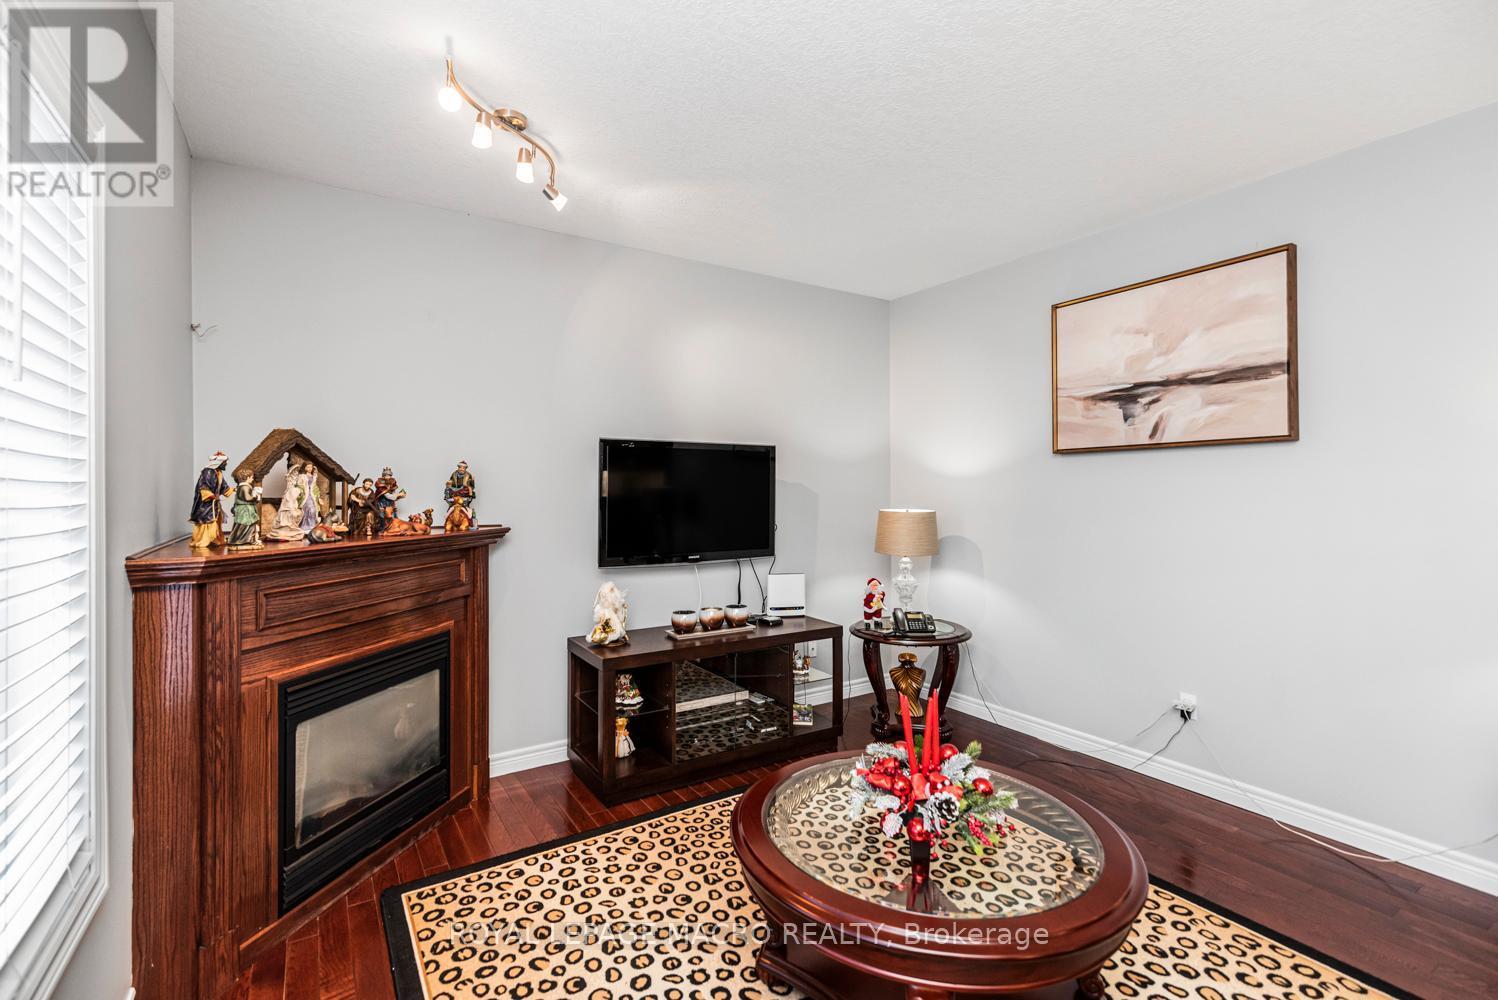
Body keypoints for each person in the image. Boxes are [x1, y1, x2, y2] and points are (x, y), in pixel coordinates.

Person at [189, 451, 232, 548]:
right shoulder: (208, 472)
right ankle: (203, 540)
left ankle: (215, 539)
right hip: (206, 503)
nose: (226, 464)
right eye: (225, 462)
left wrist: (233, 490)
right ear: (220, 462)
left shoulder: (219, 473)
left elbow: (224, 487)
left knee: (216, 519)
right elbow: (203, 486)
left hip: (214, 502)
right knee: (207, 519)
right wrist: (209, 495)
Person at [226, 468, 264, 550]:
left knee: (247, 525)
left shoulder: (244, 486)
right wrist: (255, 496)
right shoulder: (244, 487)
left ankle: (245, 539)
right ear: (247, 477)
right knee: (244, 524)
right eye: (252, 477)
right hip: (245, 510)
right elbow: (247, 498)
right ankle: (239, 540)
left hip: (246, 509)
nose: (252, 479)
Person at [443, 460, 477, 531]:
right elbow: (451, 481)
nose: (461, 469)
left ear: (465, 468)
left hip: (463, 489)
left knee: (466, 490)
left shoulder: (468, 475)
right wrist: (449, 484)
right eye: (460, 467)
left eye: (463, 468)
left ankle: (469, 519)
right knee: (448, 490)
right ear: (458, 467)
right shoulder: (454, 474)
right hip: (455, 489)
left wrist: (472, 482)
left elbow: (471, 486)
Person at [372, 466, 406, 534]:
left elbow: (393, 494)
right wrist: (398, 495)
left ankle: (394, 528)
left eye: (389, 475)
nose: (388, 477)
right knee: (383, 516)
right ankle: (383, 529)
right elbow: (389, 496)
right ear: (383, 476)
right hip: (383, 503)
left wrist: (400, 496)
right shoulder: (380, 484)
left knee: (393, 516)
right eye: (386, 475)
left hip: (390, 504)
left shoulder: (391, 482)